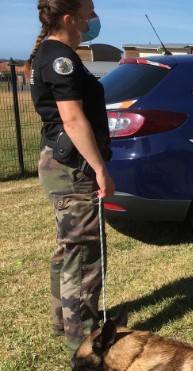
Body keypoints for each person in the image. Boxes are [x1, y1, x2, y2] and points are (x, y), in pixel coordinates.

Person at [25, 0, 114, 354]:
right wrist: (100, 169)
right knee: (83, 253)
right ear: (69, 19)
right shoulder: (60, 57)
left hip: (60, 162)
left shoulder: (50, 53)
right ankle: (86, 343)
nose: (93, 20)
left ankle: (64, 321)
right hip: (73, 166)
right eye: (89, 14)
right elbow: (73, 120)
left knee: (69, 247)